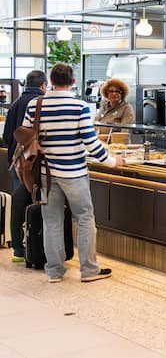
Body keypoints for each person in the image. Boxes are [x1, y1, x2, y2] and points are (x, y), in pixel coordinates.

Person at [22, 63, 125, 283]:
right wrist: (112, 162)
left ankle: (54, 271)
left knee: (52, 221)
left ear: (50, 81)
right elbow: (91, 143)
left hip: (46, 174)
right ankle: (88, 270)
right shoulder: (79, 107)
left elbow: (24, 139)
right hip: (74, 173)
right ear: (73, 82)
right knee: (85, 219)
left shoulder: (35, 105)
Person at [2, 70, 47, 262]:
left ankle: (18, 248)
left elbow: (6, 136)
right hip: (38, 163)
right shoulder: (41, 104)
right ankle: (37, 247)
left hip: (19, 162)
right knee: (38, 202)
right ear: (43, 86)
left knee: (18, 201)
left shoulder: (14, 105)